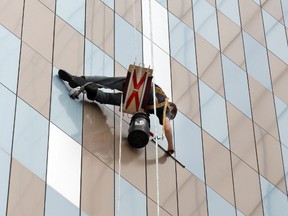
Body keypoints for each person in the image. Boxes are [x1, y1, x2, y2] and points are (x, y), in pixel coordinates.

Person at [58, 69, 177, 154]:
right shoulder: (166, 107)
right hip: (137, 100)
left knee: (108, 82)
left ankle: (82, 80)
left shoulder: (159, 91)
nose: (169, 118)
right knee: (108, 98)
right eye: (171, 117)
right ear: (171, 110)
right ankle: (93, 93)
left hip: (138, 85)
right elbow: (167, 128)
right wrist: (170, 146)